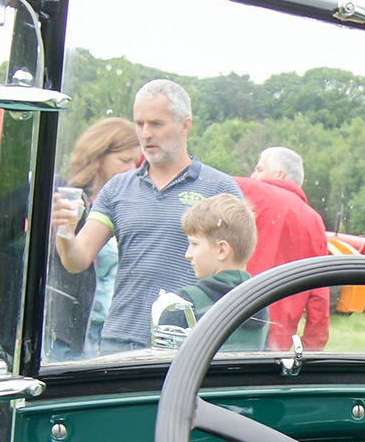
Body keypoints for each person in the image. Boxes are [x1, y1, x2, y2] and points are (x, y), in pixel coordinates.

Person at [51, 79, 241, 353]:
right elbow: (76, 260)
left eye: (156, 124)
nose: (145, 133)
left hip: (190, 343)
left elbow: (233, 274)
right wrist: (65, 231)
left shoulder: (219, 188)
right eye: (139, 124)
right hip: (120, 339)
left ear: (184, 125)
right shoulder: (117, 188)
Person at [45, 117, 140, 358]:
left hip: (113, 332)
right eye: (124, 160)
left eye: (136, 162)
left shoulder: (126, 206)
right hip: (70, 333)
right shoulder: (67, 200)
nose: (132, 169)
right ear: (98, 156)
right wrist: (58, 227)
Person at [234, 146, 331, 351]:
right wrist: (312, 345)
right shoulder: (314, 222)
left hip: (234, 323)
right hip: (278, 342)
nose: (252, 175)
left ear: (279, 175)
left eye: (259, 169)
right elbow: (319, 293)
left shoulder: (249, 191)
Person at [153, 194, 269, 352]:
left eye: (194, 244)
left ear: (222, 250)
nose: (188, 254)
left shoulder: (182, 305)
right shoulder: (262, 301)